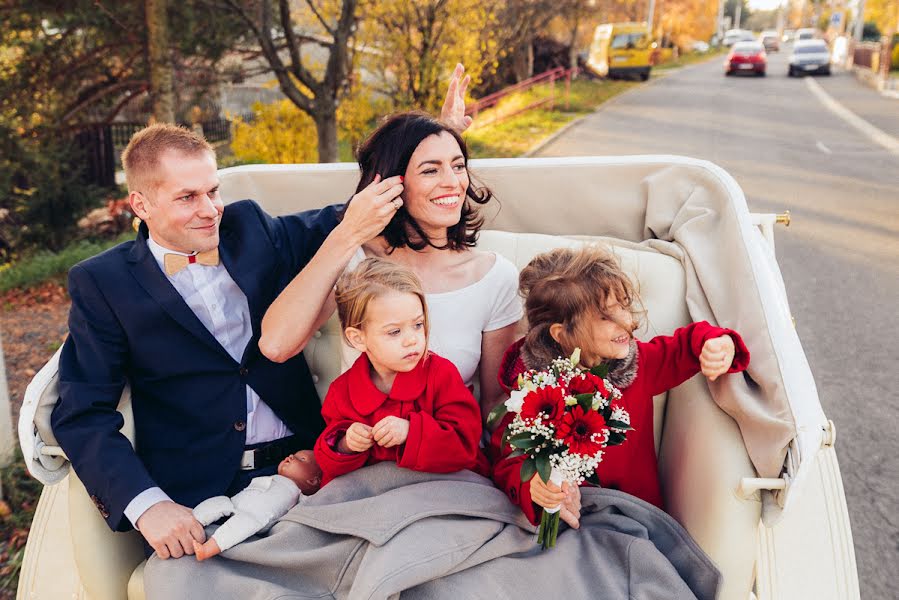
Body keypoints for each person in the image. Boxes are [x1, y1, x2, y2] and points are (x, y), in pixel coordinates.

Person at [51, 64, 475, 560]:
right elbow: (82, 414)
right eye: (187, 197)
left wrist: (439, 137)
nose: (209, 210)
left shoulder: (249, 228)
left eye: (213, 190)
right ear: (139, 204)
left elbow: (360, 208)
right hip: (197, 491)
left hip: (315, 464)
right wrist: (149, 507)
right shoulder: (102, 283)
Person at [261, 111, 521, 421]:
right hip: (362, 456)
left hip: (449, 458)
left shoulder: (494, 277)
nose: (453, 182)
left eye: (458, 166)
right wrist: (348, 233)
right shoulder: (356, 262)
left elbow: (496, 405)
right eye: (430, 171)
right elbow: (276, 346)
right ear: (389, 185)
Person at [491, 246, 750, 527]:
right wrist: (535, 487)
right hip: (567, 521)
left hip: (634, 517)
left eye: (623, 307)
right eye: (605, 317)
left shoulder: (639, 364)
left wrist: (717, 344)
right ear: (561, 333)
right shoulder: (535, 393)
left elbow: (685, 346)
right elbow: (508, 460)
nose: (627, 322)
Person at [313, 258, 484, 485]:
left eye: (418, 325)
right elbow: (329, 463)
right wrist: (346, 444)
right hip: (372, 495)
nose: (412, 340)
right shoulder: (343, 391)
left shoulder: (440, 374)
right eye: (395, 332)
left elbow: (465, 444)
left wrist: (411, 432)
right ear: (358, 338)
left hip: (439, 487)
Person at [192, 450, 322, 561]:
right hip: (236, 501)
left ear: (313, 480)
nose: (292, 456)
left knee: (236, 529)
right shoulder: (274, 476)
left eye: (302, 459)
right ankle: (194, 521)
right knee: (217, 503)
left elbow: (309, 509)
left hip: (255, 517)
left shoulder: (298, 495)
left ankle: (207, 549)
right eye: (294, 454)